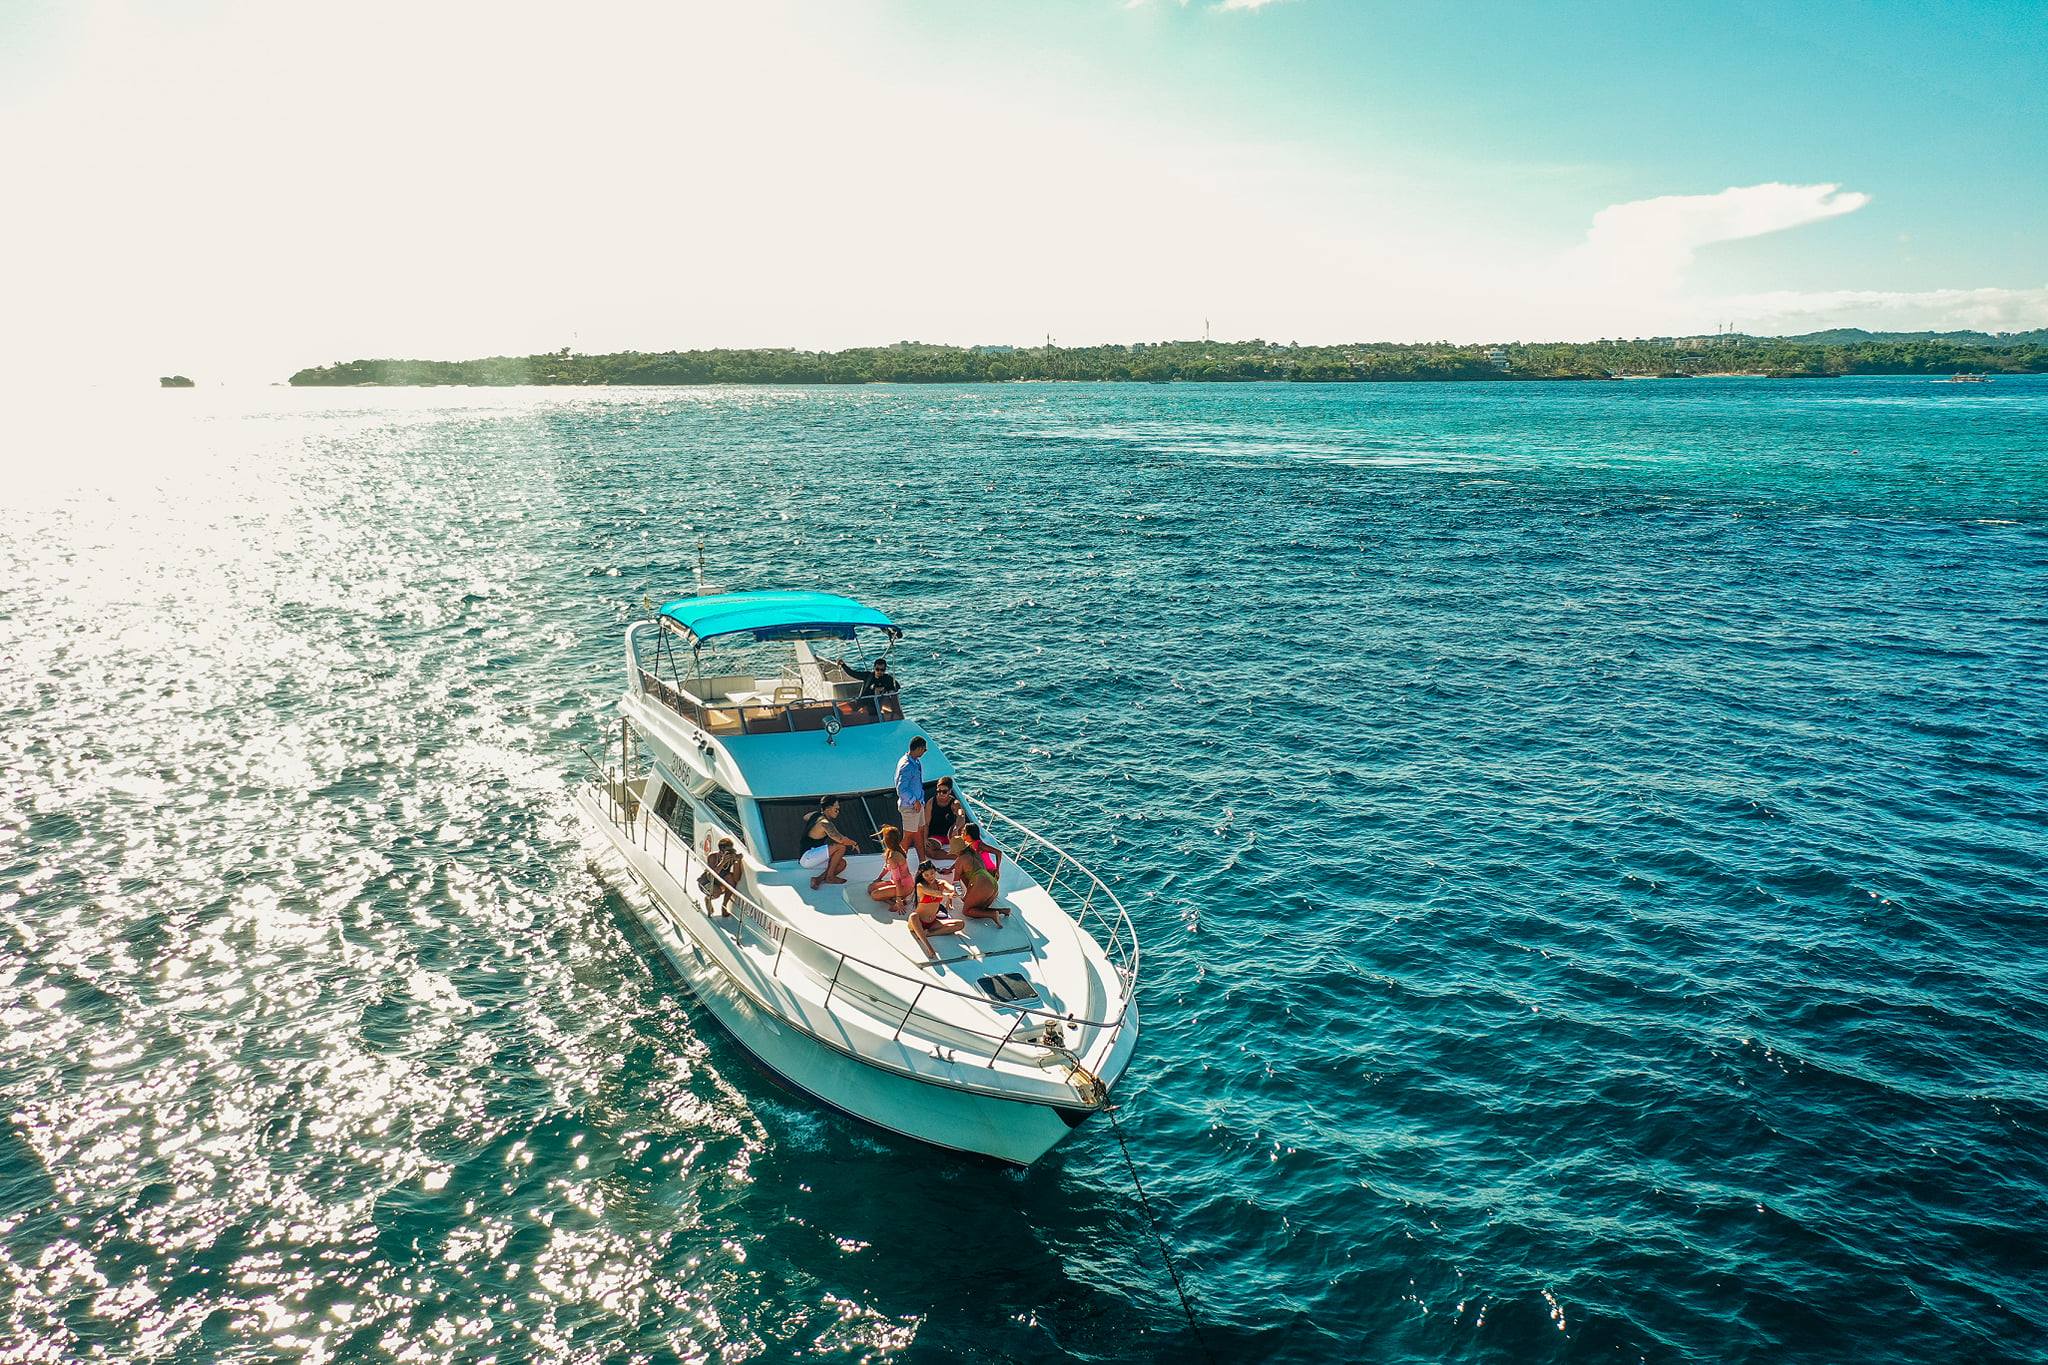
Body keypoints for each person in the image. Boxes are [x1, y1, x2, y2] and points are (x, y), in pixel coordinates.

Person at [800, 796, 858, 890]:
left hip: (809, 857)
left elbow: (805, 817)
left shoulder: (815, 815)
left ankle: (818, 879)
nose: (838, 811)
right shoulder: (825, 823)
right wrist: (854, 843)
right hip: (808, 856)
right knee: (841, 847)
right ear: (828, 809)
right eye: (836, 809)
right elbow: (841, 840)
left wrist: (813, 824)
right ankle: (830, 877)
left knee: (842, 863)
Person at [909, 864, 966, 959]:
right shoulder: (920, 886)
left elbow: (952, 889)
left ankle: (928, 933)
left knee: (960, 924)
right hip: (918, 921)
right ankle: (929, 947)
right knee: (913, 915)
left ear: (935, 872)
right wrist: (947, 895)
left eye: (932, 873)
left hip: (932, 922)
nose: (930, 877)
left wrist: (956, 890)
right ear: (922, 875)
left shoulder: (941, 883)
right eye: (926, 875)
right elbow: (934, 893)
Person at [948, 831, 1004, 922]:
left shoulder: (960, 860)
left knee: (966, 911)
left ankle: (992, 914)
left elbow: (956, 882)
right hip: (992, 882)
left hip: (982, 884)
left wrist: (961, 896)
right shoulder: (975, 853)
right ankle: (1003, 911)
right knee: (977, 908)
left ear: (957, 850)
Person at [895, 737, 929, 860]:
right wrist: (914, 800)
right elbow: (901, 789)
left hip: (918, 805)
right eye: (924, 750)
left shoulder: (915, 762)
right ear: (919, 748)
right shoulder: (907, 766)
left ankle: (923, 862)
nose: (924, 752)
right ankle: (895, 863)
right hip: (911, 807)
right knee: (908, 837)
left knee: (919, 833)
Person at [866, 825, 913, 912]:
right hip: (896, 883)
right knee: (870, 888)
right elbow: (886, 867)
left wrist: (898, 899)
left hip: (904, 886)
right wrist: (879, 878)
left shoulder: (893, 857)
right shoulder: (894, 850)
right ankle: (895, 899)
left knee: (874, 895)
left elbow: (898, 880)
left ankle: (897, 902)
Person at [700, 837, 744, 918]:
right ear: (721, 850)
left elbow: (736, 879)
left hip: (720, 883)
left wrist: (737, 861)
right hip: (707, 881)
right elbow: (711, 875)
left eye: (730, 851)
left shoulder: (731, 858)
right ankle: (708, 898)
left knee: (731, 879)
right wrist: (722, 862)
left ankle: (724, 906)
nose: (728, 854)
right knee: (716, 892)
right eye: (727, 851)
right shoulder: (713, 856)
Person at [925, 777, 967, 851]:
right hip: (936, 836)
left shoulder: (955, 803)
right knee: (928, 850)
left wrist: (956, 828)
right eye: (939, 791)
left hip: (951, 835)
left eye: (944, 791)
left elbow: (961, 815)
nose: (941, 794)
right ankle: (953, 856)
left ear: (950, 791)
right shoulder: (931, 803)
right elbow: (926, 823)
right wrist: (925, 838)